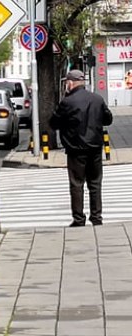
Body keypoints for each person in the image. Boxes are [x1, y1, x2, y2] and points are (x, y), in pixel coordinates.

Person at [50, 69, 113, 227]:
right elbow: (108, 119)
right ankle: (96, 217)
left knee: (77, 184)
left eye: (66, 83)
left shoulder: (67, 102)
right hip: (95, 147)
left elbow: (53, 122)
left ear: (70, 83)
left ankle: (79, 218)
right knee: (95, 183)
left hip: (75, 148)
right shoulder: (97, 99)